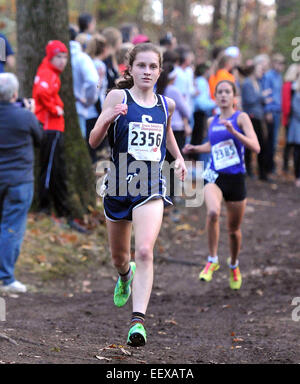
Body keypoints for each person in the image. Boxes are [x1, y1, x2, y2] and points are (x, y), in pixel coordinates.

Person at [89, 43, 187, 346]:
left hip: (151, 184)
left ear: (159, 71)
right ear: (129, 69)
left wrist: (179, 157)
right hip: (119, 184)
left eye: (152, 67)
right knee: (120, 257)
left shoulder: (165, 104)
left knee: (144, 250)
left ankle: (137, 322)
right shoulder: (118, 96)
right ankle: (125, 275)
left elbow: (167, 130)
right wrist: (108, 118)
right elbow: (94, 141)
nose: (147, 71)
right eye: (141, 65)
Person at [183, 80, 260, 290]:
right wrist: (195, 148)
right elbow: (213, 145)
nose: (224, 95)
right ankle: (212, 259)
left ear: (234, 96)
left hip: (236, 179)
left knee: (234, 230)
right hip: (214, 176)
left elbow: (256, 146)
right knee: (213, 213)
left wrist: (234, 132)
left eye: (228, 92)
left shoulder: (241, 118)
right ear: (215, 97)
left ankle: (234, 264)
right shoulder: (211, 121)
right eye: (220, 92)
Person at [32, 40, 87, 233]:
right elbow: (41, 92)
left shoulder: (53, 73)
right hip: (49, 127)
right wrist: (55, 109)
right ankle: (45, 209)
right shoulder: (47, 72)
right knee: (49, 170)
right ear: (50, 57)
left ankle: (61, 211)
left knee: (58, 170)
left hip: (55, 128)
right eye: (58, 57)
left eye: (65, 57)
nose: (62, 61)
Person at [0, 73, 43, 293]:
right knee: (11, 227)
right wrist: (30, 114)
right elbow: (40, 139)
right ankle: (6, 278)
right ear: (15, 94)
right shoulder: (25, 117)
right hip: (19, 180)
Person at [156, 62, 191, 200]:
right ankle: (173, 195)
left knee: (164, 162)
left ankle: (163, 192)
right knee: (176, 163)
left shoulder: (156, 90)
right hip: (176, 130)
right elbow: (186, 111)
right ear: (173, 77)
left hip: (161, 129)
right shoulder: (173, 91)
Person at [69, 27, 99, 139]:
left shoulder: (51, 56)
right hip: (79, 109)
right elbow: (92, 81)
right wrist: (89, 100)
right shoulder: (81, 58)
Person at [241, 63, 270, 181]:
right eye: (260, 69)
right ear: (253, 70)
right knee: (250, 145)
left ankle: (261, 173)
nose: (262, 71)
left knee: (261, 145)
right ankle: (248, 171)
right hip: (251, 118)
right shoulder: (248, 83)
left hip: (259, 117)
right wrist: (262, 96)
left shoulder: (258, 83)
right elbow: (249, 100)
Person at [261, 53, 285, 174]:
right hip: (271, 112)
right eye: (278, 63)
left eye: (282, 64)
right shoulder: (268, 76)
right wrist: (268, 111)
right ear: (274, 63)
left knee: (274, 140)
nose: (280, 66)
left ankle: (271, 165)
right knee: (269, 140)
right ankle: (267, 166)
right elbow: (267, 94)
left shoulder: (279, 77)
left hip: (278, 111)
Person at [281, 64, 300, 172]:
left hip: (292, 117)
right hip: (291, 118)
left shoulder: (293, 85)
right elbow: (286, 103)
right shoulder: (289, 85)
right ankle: (285, 164)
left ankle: (287, 164)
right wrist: (287, 116)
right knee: (290, 143)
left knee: (291, 142)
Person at [287, 77, 300, 187]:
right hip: (297, 129)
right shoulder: (296, 95)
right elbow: (296, 111)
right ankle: (297, 176)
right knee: (297, 153)